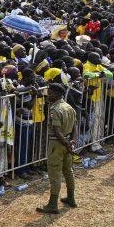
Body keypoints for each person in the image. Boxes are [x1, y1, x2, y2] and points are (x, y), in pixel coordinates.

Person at [37, 82, 77, 214]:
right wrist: (73, 142)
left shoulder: (55, 109)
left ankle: (53, 205)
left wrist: (66, 143)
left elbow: (56, 131)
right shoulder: (68, 107)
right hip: (67, 143)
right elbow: (75, 128)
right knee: (68, 171)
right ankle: (71, 198)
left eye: (50, 92)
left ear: (56, 94)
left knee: (55, 173)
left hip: (57, 144)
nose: (48, 95)